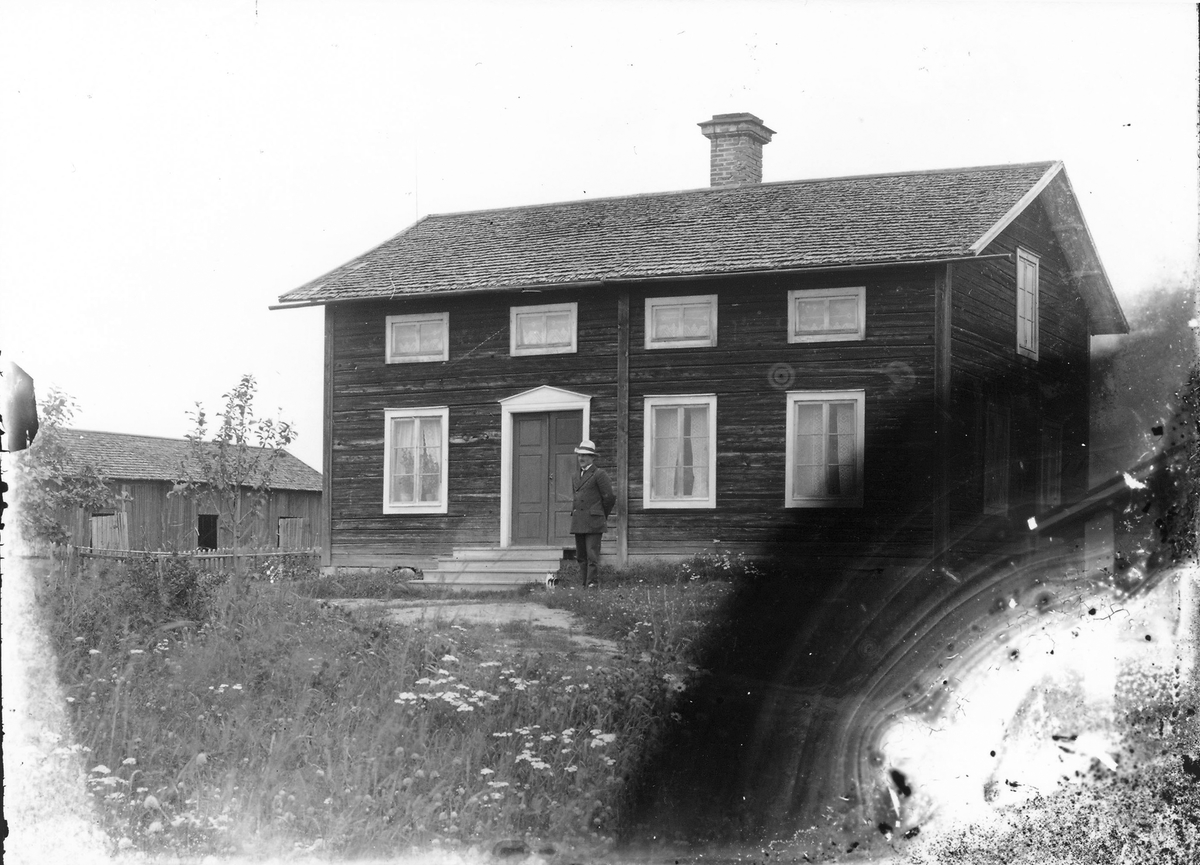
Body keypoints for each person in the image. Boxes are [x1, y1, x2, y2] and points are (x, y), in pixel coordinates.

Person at [570, 439, 615, 588]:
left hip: (594, 521)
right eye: (579, 455)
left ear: (592, 457)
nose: (581, 458)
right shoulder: (575, 475)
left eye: (585, 455)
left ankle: (592, 585)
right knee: (581, 556)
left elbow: (609, 498)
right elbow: (576, 498)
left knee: (592, 555)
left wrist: (600, 515)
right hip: (579, 521)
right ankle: (584, 585)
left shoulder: (599, 474)